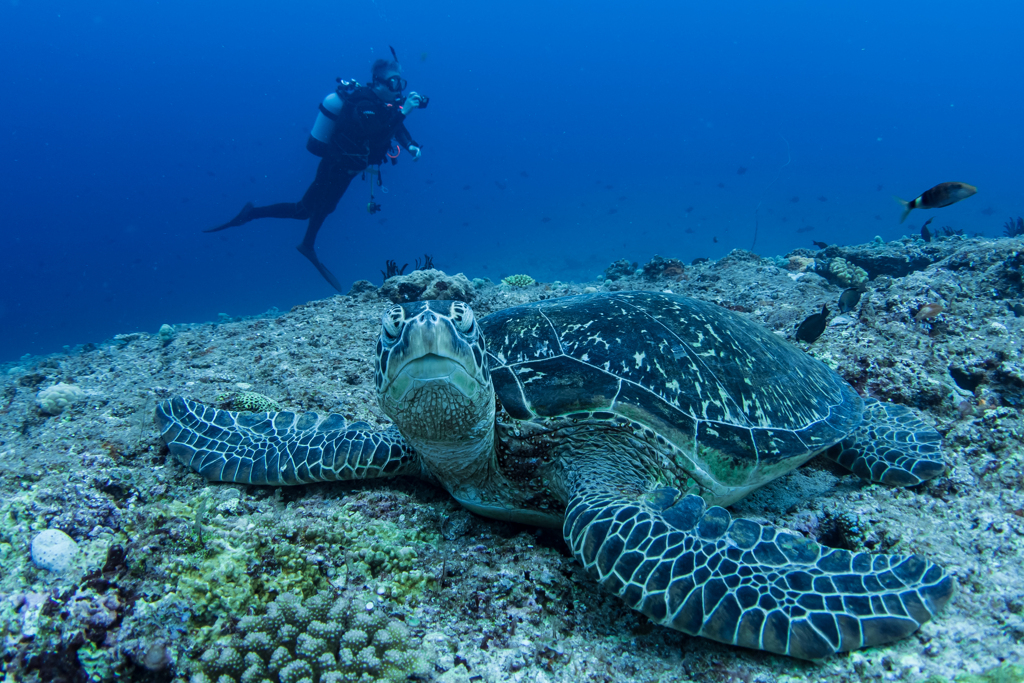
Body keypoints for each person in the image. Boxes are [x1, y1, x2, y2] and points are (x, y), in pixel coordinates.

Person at [206, 55, 424, 291]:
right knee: (303, 210)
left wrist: (410, 143)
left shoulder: (384, 105)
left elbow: (394, 127)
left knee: (324, 208)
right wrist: (405, 112)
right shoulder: (362, 104)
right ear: (378, 82)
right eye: (393, 83)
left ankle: (306, 243)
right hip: (335, 165)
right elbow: (377, 134)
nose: (397, 89)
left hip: (350, 167)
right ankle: (258, 218)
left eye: (400, 83)